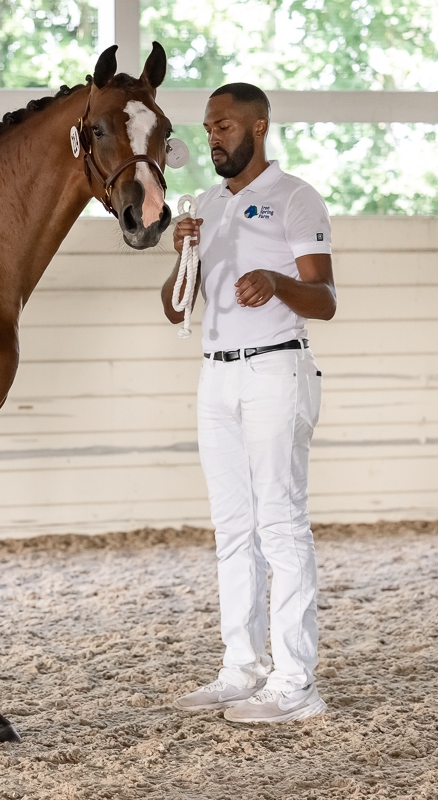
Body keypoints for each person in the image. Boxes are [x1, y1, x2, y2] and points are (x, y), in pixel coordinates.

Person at [161, 83, 337, 724]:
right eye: (209, 127)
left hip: (276, 370)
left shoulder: (295, 197)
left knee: (280, 525)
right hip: (216, 376)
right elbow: (175, 307)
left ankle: (296, 683)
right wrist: (182, 255)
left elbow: (325, 299)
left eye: (226, 126)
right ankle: (242, 667)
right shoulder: (206, 205)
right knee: (233, 528)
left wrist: (276, 282)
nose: (213, 137)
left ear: (259, 127)